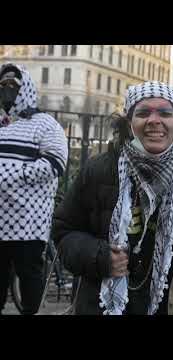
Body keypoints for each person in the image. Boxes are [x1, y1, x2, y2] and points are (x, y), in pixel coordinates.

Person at [52, 81, 173, 315]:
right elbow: (64, 232)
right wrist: (98, 257)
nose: (154, 120)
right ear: (129, 123)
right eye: (143, 112)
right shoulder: (99, 171)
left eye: (165, 113)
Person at [0, 63, 68, 315]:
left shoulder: (45, 125)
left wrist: (8, 175)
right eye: (3, 86)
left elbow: (55, 163)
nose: (7, 91)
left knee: (29, 274)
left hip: (27, 219)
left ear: (25, 88)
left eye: (13, 86)